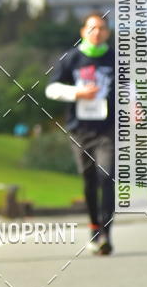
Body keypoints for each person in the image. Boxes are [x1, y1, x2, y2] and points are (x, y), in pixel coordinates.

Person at [45, 13, 115, 255]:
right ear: (83, 31)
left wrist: (135, 107)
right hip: (80, 129)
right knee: (89, 180)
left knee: (107, 176)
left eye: (102, 28)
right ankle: (95, 226)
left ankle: (106, 233)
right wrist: (78, 93)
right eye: (93, 28)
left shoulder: (115, 58)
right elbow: (52, 89)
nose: (97, 32)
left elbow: (129, 87)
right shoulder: (71, 58)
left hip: (108, 128)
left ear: (107, 33)